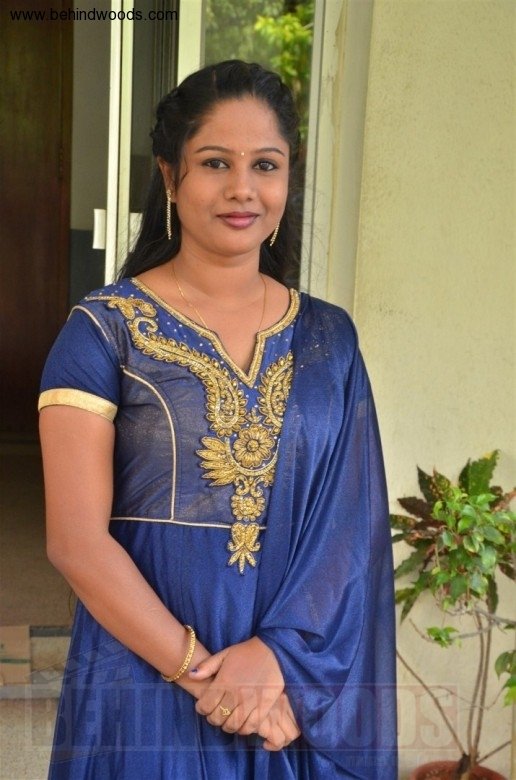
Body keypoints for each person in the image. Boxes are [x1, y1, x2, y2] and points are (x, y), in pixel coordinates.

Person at [39, 60, 397, 779]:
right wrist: (208, 677)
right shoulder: (106, 331)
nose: (242, 188)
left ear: (288, 180)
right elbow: (76, 542)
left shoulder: (329, 339)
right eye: (214, 163)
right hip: (144, 673)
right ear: (170, 177)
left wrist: (275, 667)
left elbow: (350, 533)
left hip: (290, 683)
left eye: (265, 165)